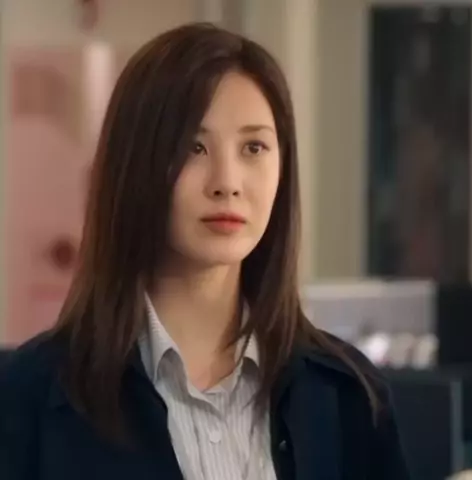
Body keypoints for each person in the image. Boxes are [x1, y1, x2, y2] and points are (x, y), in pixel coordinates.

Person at [0, 23, 410, 480]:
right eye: (194, 147)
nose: (227, 182)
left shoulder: (348, 396)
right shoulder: (28, 398)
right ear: (135, 164)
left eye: (253, 147)